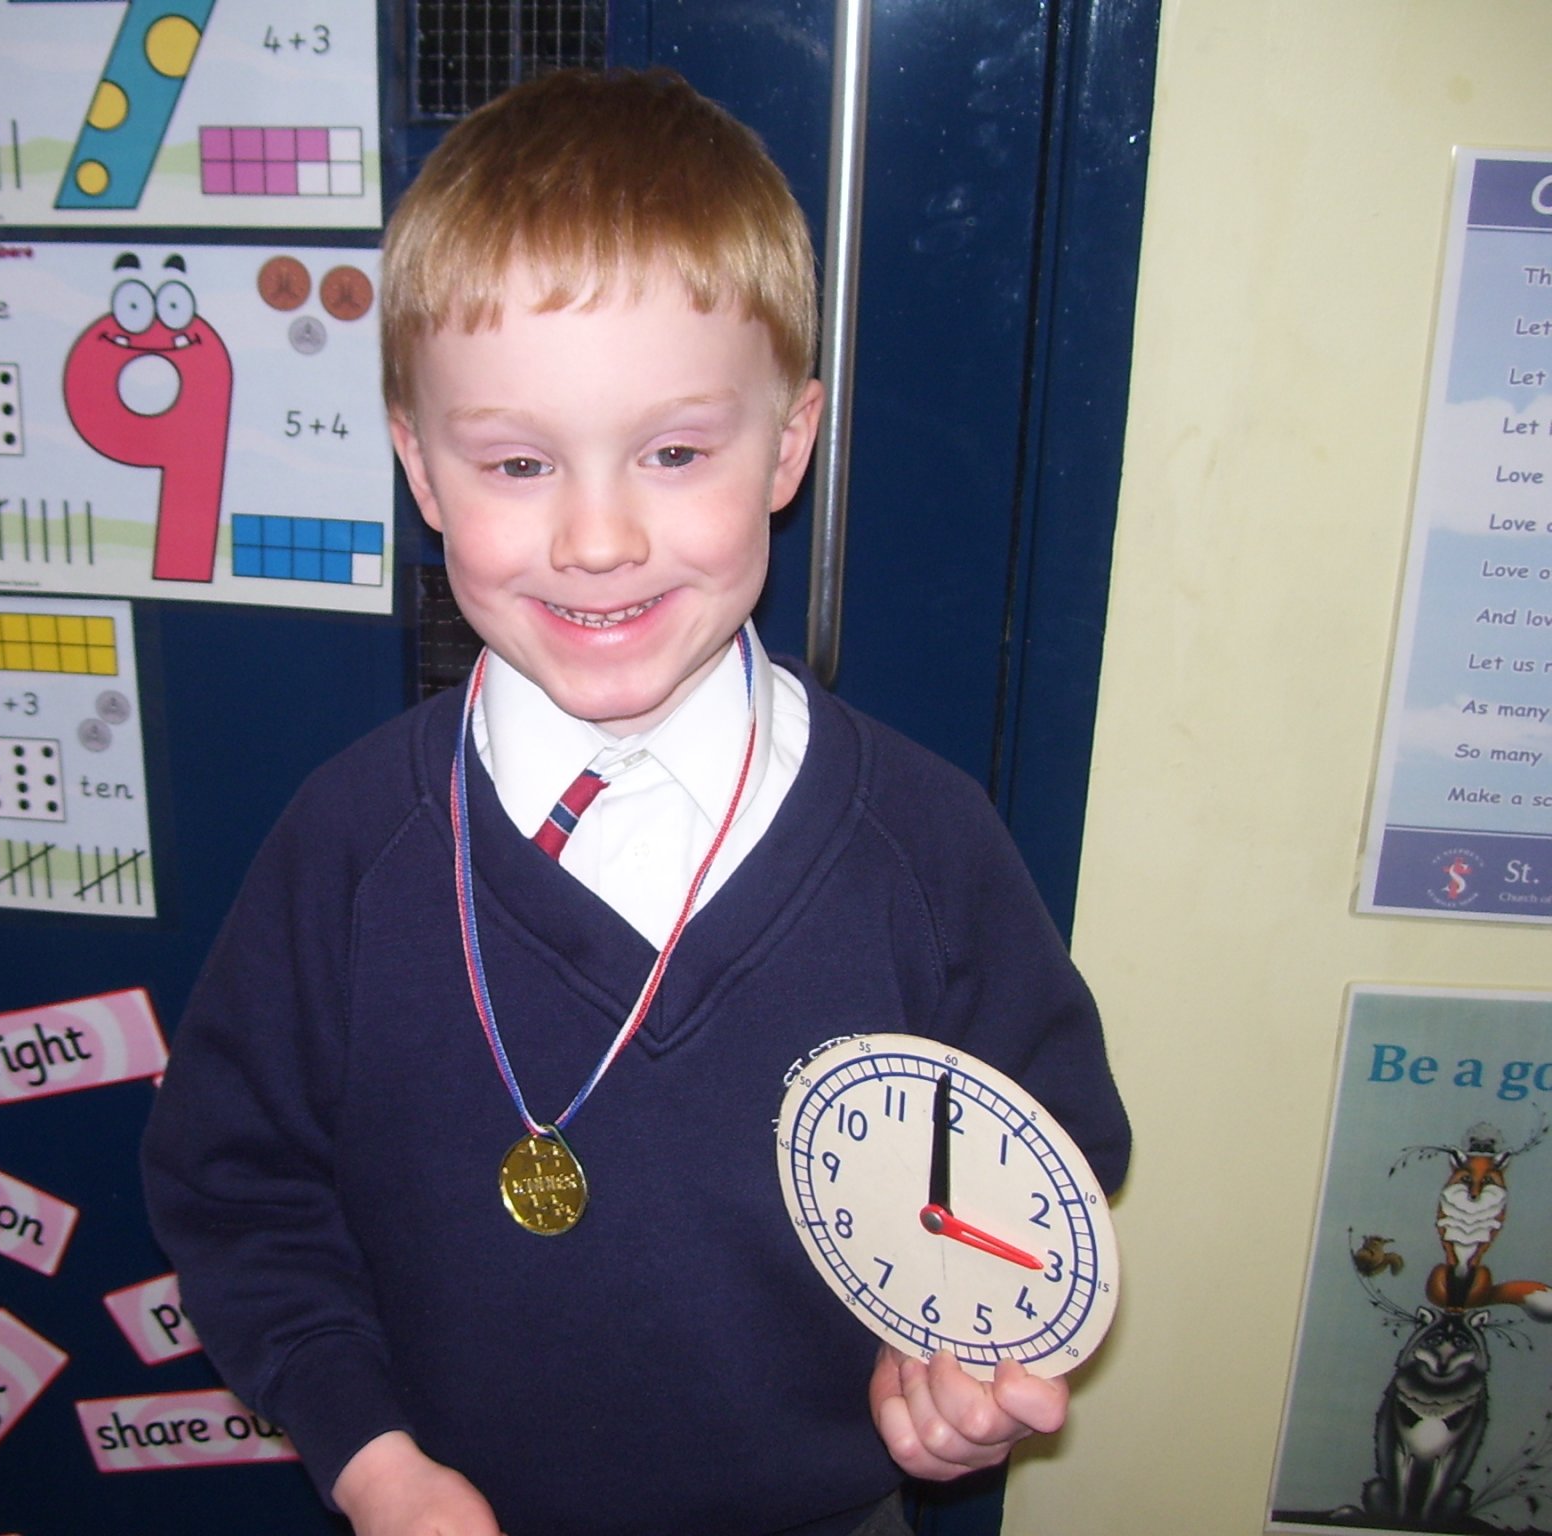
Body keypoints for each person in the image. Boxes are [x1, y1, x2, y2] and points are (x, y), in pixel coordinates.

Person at [143, 66, 1129, 1536]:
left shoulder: (923, 852)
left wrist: (962, 1358)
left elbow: (1047, 1157)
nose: (598, 538)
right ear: (420, 468)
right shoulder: (348, 850)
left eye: (674, 454)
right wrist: (373, 1462)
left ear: (787, 450)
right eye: (518, 462)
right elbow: (236, 1192)